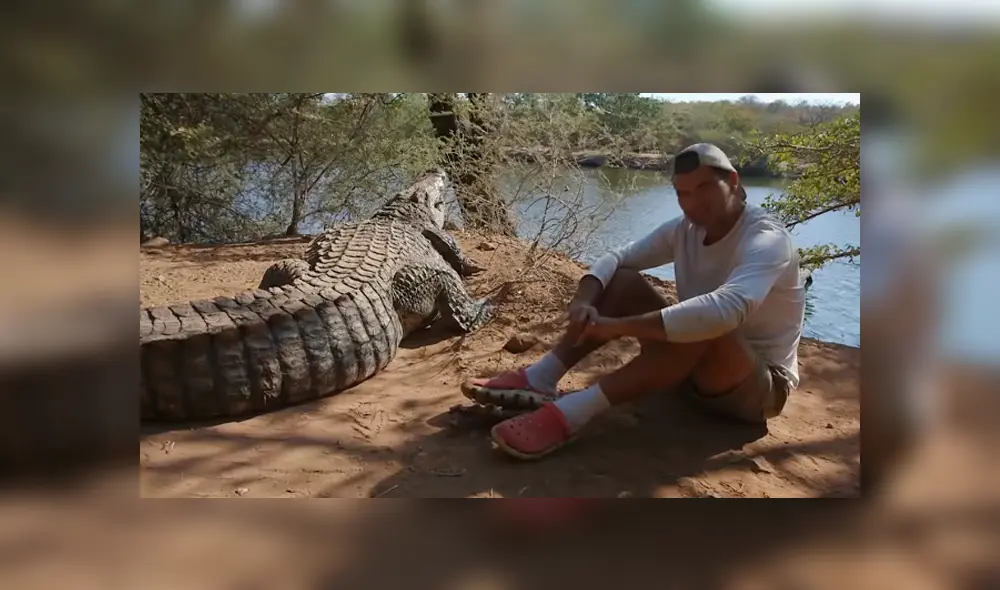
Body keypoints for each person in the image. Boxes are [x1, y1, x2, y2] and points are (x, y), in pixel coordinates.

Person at [461, 143, 807, 460]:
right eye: (682, 193)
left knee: (708, 318)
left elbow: (727, 310)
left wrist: (619, 326)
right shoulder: (684, 229)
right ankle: (542, 376)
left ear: (732, 181)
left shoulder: (767, 239)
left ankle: (571, 413)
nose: (692, 203)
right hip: (690, 375)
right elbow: (618, 256)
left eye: (704, 189)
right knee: (624, 279)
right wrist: (584, 300)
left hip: (756, 390)